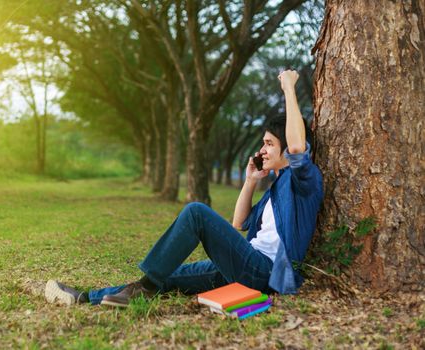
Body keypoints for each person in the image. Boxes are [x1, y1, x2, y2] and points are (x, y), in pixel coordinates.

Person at [45, 70, 323, 307]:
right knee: (170, 274)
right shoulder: (273, 191)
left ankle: (146, 286)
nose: (262, 149)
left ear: (287, 148)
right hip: (245, 263)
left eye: (269, 143)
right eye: (263, 143)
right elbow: (239, 222)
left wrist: (288, 85)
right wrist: (251, 181)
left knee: (197, 213)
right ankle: (86, 297)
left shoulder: (303, 180)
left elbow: (297, 146)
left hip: (266, 273)